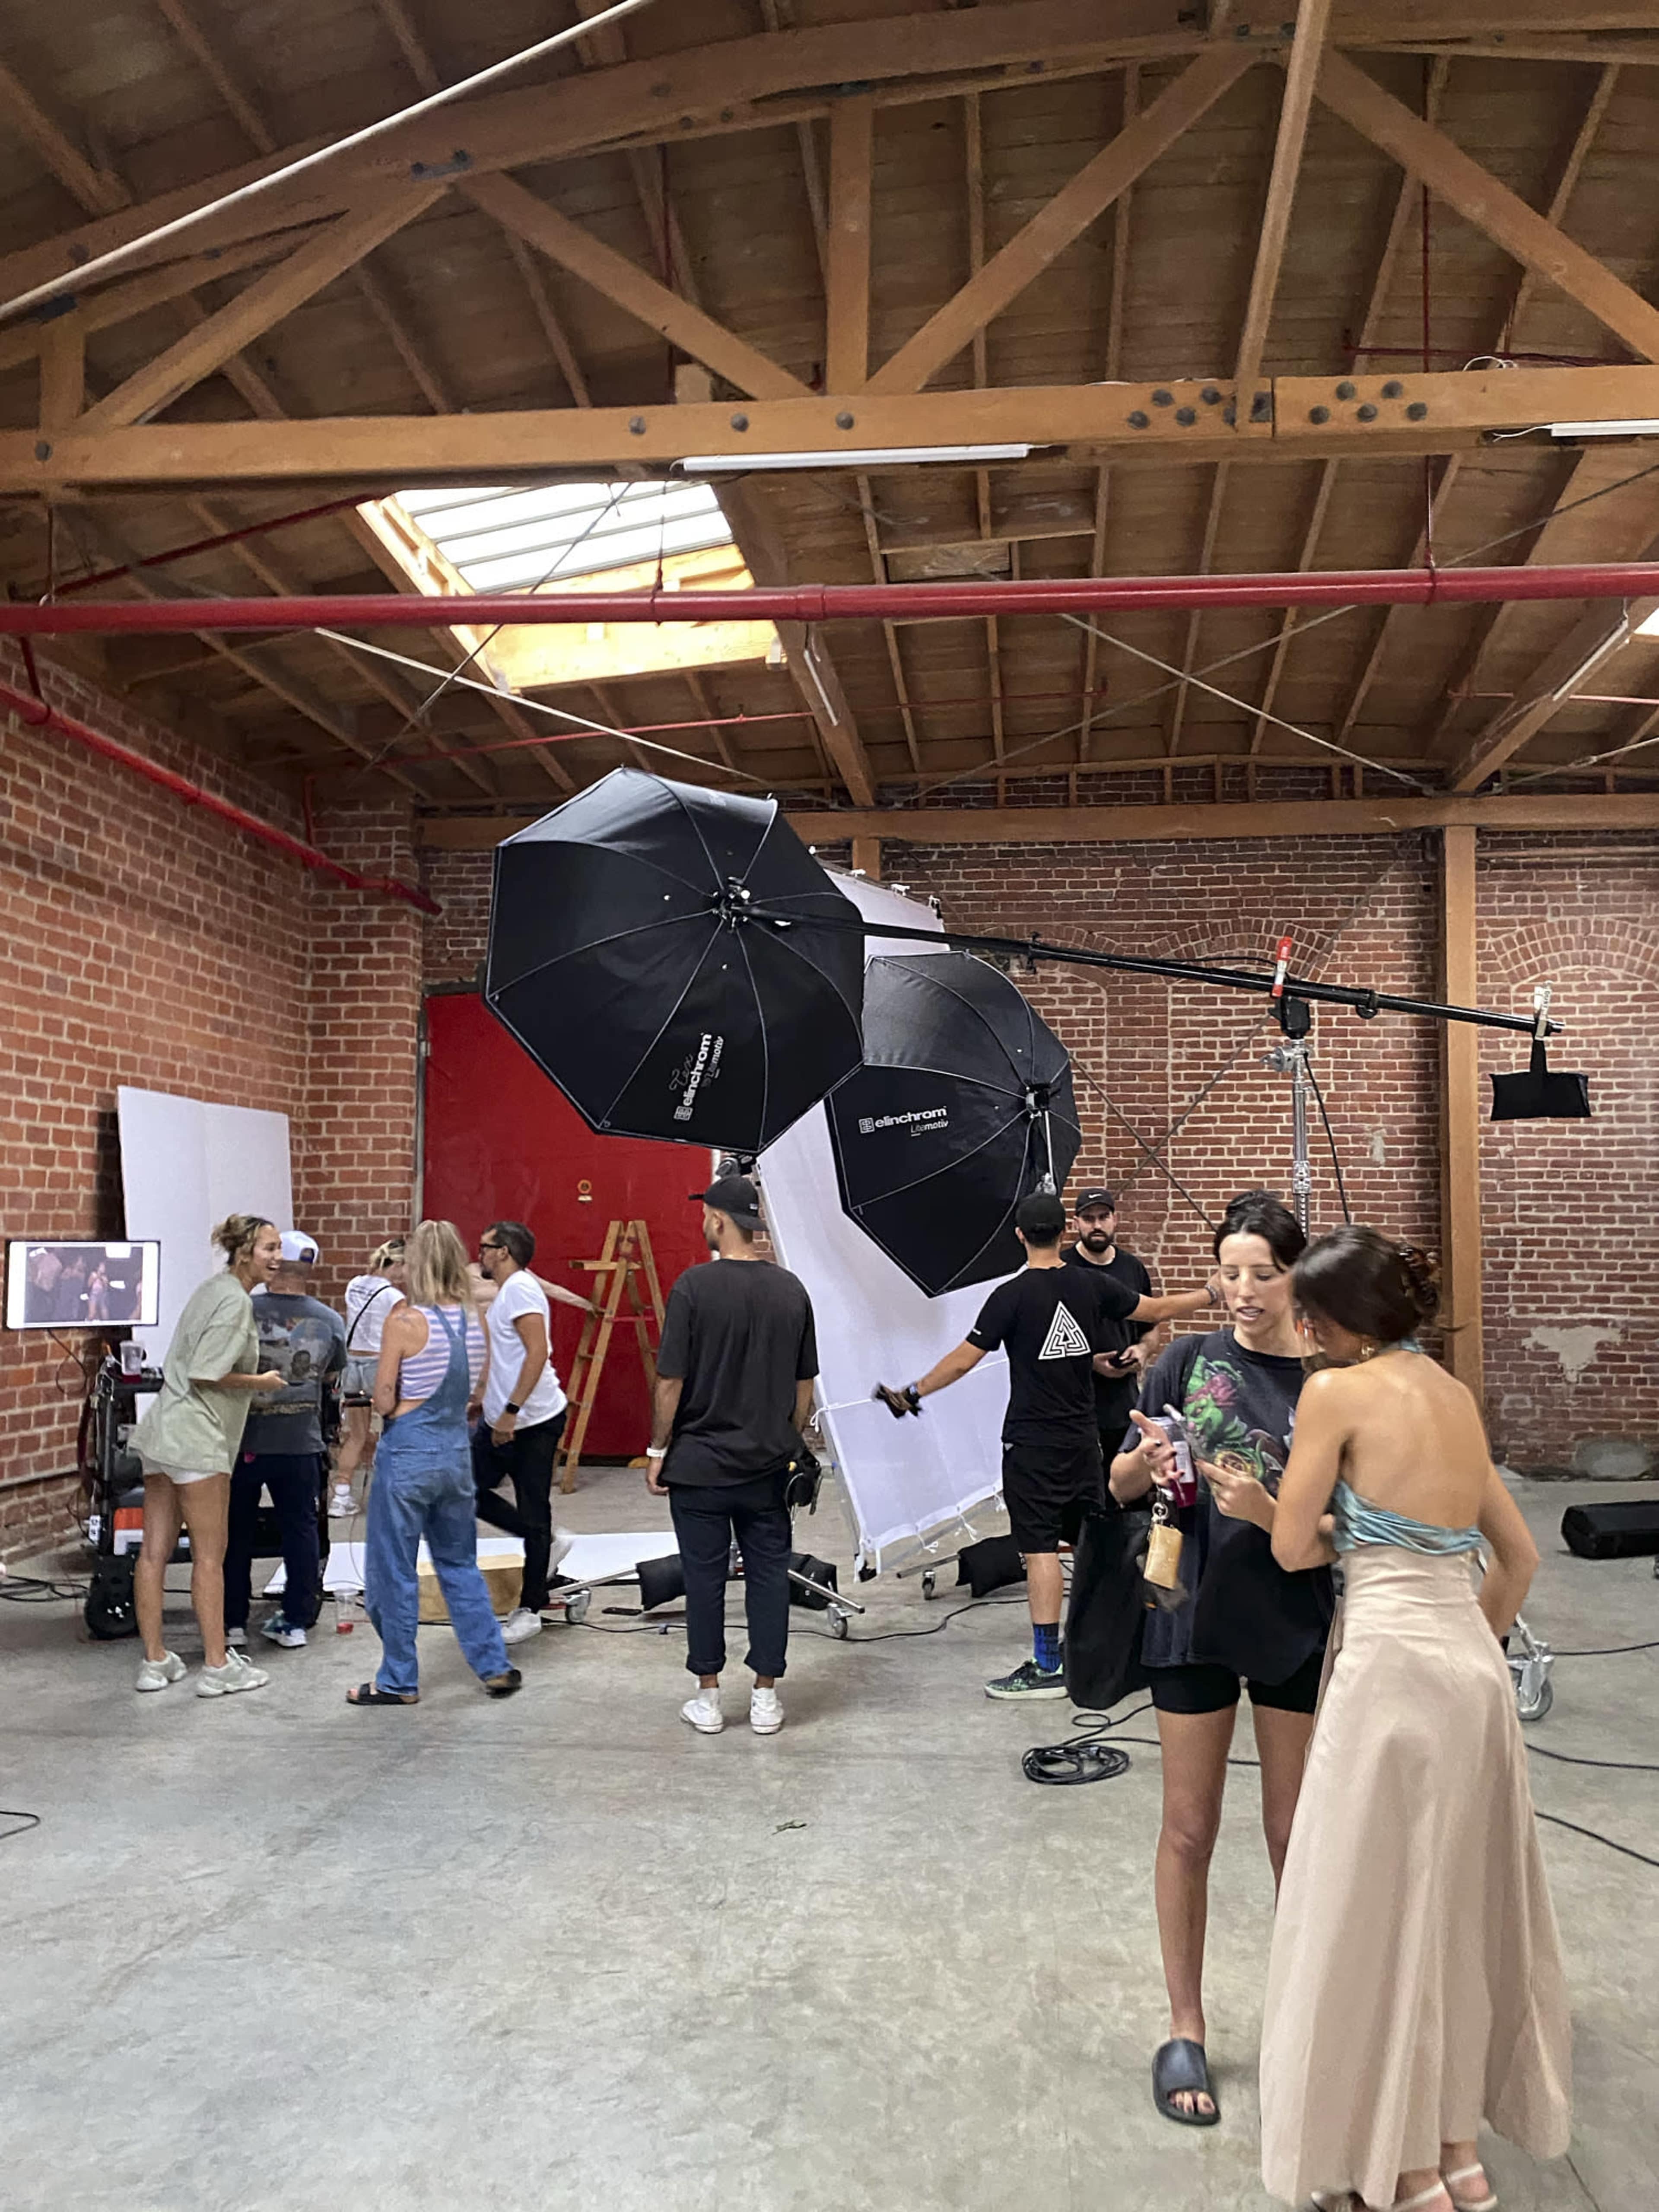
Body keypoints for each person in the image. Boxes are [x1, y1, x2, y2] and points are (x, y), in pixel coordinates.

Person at [1259, 1228, 1570, 2212]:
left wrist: (1274, 1507)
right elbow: (1516, 1560)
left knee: (1370, 1912)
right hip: (1466, 1672)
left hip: (1388, 1668)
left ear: (1331, 1316)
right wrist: (1465, 1651)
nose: (1298, 1328)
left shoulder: (1331, 1393)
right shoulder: (1452, 1396)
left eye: (1305, 1312)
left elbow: (1289, 1549)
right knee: (1449, 1913)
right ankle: (1452, 2149)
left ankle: (1398, 2169)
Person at [1109, 1192, 1329, 2129]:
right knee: (1190, 1827)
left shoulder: (1330, 1382)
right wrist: (1147, 1464)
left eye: (1262, 1273)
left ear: (1296, 1277)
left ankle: (1311, 2024)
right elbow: (1118, 1479)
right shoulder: (1187, 1360)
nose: (1242, 1291)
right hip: (1185, 1606)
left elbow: (1342, 1530)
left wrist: (1264, 1511)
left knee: (1299, 1837)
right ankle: (1185, 2024)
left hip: (1289, 1610)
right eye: (1229, 1271)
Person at [878, 1189, 1221, 1701]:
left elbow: (963, 1360)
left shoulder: (1009, 1297)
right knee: (1095, 1543)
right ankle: (1103, 1647)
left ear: (1019, 1235)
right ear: (1066, 1231)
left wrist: (912, 1392)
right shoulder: (1091, 1284)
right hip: (1084, 1439)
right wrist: (1212, 1294)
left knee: (1039, 1548)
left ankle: (1047, 1666)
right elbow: (1155, 1307)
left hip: (1032, 1443)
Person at [647, 1175, 818, 1738]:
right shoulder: (792, 1290)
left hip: (699, 1464)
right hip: (768, 1467)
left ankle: (709, 1697)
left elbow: (670, 1381)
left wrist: (657, 1449)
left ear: (719, 1221)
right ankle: (766, 1698)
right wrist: (786, 1439)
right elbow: (804, 1389)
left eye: (706, 1216)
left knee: (704, 1578)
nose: (703, 1223)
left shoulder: (693, 1288)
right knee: (769, 1576)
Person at [351, 1218, 520, 1705]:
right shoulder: (474, 1319)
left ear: (418, 1263)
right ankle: (493, 1663)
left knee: (393, 1571)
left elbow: (383, 1399)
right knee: (460, 1563)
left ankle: (398, 1678)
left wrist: (393, 1397)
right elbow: (478, 1390)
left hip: (408, 1455)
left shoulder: (404, 1321)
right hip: (454, 1452)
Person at [128, 1216, 285, 1698]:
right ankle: (217, 1665)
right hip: (199, 1439)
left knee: (153, 1551)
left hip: (162, 1435)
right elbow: (205, 1372)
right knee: (209, 1557)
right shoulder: (237, 1303)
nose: (277, 1257)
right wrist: (261, 1382)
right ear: (244, 1253)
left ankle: (155, 1661)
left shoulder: (210, 1289)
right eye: (269, 1248)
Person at [222, 1231, 346, 1653]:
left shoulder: (242, 1309)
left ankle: (232, 1622)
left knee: (233, 1530)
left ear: (275, 1264)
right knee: (301, 1531)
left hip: (242, 1440)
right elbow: (332, 1378)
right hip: (300, 1441)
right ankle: (294, 1621)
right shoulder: (330, 1320)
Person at [473, 1220, 577, 1646]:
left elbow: (538, 1352)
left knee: (534, 1508)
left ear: (504, 1251)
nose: (479, 1252)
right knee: (467, 1487)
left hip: (531, 1421)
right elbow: (507, 1355)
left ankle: (531, 1607)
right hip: (503, 1418)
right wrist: (487, 1399)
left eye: (485, 1246)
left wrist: (511, 1411)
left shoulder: (520, 1289)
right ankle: (545, 1543)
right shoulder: (510, 1290)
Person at [1064, 1186, 1158, 1483]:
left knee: (1123, 1488)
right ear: (1075, 1223)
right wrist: (1090, 1361)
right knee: (1082, 1492)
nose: (1097, 1225)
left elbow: (1152, 1329)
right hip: (1076, 1405)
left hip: (1123, 1403)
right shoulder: (1063, 1270)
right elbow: (1045, 1341)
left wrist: (1143, 1351)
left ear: (1115, 1220)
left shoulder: (1133, 1269)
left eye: (1103, 1217)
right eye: (1089, 1218)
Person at [334, 1238, 407, 1516]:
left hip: (352, 1365)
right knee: (392, 1431)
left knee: (357, 1435)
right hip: (379, 1366)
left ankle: (341, 1495)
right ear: (397, 1264)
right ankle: (390, 1495)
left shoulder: (354, 1285)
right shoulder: (393, 1297)